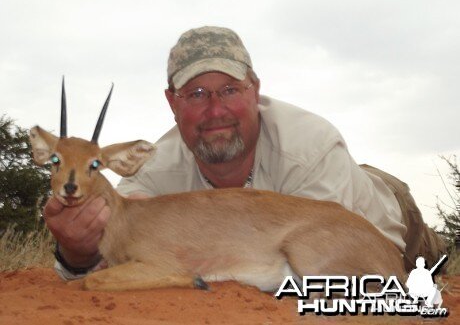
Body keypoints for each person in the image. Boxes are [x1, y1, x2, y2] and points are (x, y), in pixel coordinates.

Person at [43, 26, 446, 280]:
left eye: (230, 90)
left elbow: (335, 258)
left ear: (255, 88)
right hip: (282, 214)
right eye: (196, 94)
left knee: (424, 260)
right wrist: (77, 249)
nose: (215, 110)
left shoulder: (310, 147)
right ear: (172, 102)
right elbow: (120, 238)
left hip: (388, 216)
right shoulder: (155, 166)